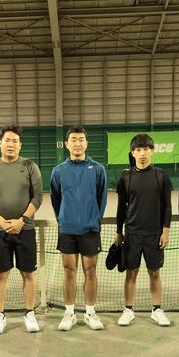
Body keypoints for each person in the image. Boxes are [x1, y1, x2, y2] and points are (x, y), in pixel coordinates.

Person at [0, 125, 43, 334]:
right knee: (0, 274)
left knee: (29, 273)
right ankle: (0, 315)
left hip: (26, 230)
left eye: (15, 141)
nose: (11, 144)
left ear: (20, 145)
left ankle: (30, 313)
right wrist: (2, 222)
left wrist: (21, 220)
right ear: (0, 143)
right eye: (7, 140)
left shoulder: (30, 166)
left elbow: (37, 197)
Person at [50, 126, 107, 331]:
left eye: (81, 139)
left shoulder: (98, 169)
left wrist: (95, 220)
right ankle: (69, 313)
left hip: (90, 230)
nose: (77, 143)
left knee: (90, 271)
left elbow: (102, 198)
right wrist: (64, 219)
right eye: (73, 139)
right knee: (69, 271)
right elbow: (56, 199)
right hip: (67, 229)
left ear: (86, 143)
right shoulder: (58, 171)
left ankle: (90, 313)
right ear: (66, 144)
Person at [114, 133, 173, 327]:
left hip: (154, 235)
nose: (142, 153)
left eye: (146, 149)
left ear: (152, 151)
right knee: (131, 273)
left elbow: (167, 206)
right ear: (133, 153)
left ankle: (157, 310)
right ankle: (128, 310)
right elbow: (121, 208)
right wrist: (119, 231)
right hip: (132, 234)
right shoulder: (126, 177)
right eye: (138, 150)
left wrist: (166, 231)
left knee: (154, 273)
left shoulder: (161, 176)